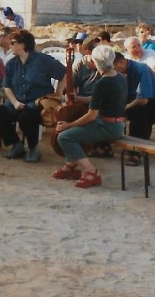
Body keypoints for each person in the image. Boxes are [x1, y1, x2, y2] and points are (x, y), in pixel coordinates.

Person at [52, 45, 128, 189]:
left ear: (95, 62)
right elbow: (104, 100)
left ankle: (91, 171)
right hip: (118, 124)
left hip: (106, 126)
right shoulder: (120, 77)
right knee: (76, 133)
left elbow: (91, 116)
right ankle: (70, 167)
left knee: (65, 136)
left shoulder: (101, 83)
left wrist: (69, 125)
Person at [0, 29, 66, 163]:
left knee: (26, 116)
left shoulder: (42, 60)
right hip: (18, 100)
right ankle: (16, 145)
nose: (10, 45)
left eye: (13, 42)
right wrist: (14, 102)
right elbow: (7, 86)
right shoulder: (12, 63)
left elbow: (64, 73)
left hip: (38, 102)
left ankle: (33, 149)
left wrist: (59, 93)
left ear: (23, 44)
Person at [114, 52, 155, 165]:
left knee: (139, 111)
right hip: (136, 102)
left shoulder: (141, 69)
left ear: (122, 62)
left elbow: (143, 99)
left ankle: (135, 153)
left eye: (114, 68)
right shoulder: (123, 73)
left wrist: (123, 108)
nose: (114, 71)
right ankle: (103, 146)